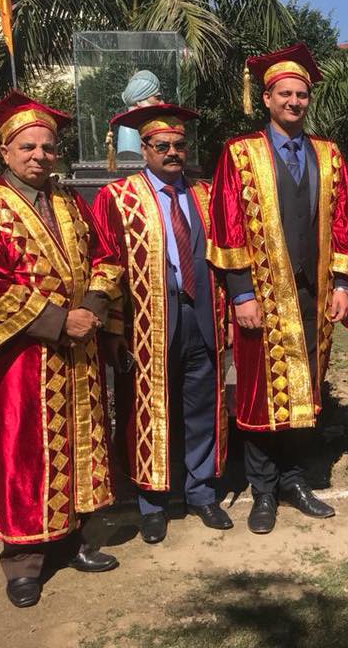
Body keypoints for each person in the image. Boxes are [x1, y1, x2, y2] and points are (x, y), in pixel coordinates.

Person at [0, 91, 123, 608]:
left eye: (47, 147)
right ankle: (23, 562)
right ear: (4, 151)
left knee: (80, 443)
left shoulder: (70, 202)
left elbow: (106, 257)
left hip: (78, 353)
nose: (39, 156)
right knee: (23, 455)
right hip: (22, 361)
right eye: (27, 146)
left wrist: (91, 307)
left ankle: (76, 542)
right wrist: (59, 321)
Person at [207, 43, 348, 534]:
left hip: (314, 293)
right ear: (267, 98)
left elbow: (344, 222)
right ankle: (263, 490)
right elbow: (227, 223)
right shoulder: (240, 153)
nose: (294, 101)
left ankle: (295, 481)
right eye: (285, 94)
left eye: (302, 94)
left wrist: (342, 284)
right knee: (260, 394)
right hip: (262, 295)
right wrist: (241, 293)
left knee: (306, 389)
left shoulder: (328, 155)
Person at [93, 103, 230, 544]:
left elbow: (224, 257)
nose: (172, 152)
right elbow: (107, 264)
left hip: (201, 316)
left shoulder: (206, 195)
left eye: (179, 145)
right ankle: (152, 502)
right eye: (162, 145)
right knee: (147, 411)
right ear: (144, 149)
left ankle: (200, 491)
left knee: (201, 405)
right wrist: (114, 330)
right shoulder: (119, 197)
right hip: (146, 324)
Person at [115, 70, 163, 160]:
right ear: (139, 101)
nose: (162, 103)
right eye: (157, 98)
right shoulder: (129, 129)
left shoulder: (143, 127)